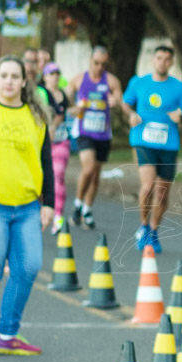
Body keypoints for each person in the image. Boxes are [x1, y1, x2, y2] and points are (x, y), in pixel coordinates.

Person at [0, 56, 54, 356]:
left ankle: (7, 334)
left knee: (28, 267)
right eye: (3, 75)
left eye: (14, 76)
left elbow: (46, 163)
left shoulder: (37, 118)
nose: (8, 81)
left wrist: (49, 204)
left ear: (23, 81)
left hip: (27, 207)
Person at [121, 45, 182, 253]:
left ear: (171, 63)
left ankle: (154, 231)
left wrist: (180, 117)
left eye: (166, 59)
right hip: (143, 140)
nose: (162, 62)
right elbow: (126, 103)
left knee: (162, 193)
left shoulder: (178, 88)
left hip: (168, 143)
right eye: (159, 58)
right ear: (153, 60)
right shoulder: (139, 83)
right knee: (148, 185)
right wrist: (130, 114)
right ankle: (143, 226)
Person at [67, 46, 123, 229]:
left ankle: (87, 209)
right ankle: (77, 205)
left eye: (103, 64)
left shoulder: (112, 81)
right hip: (84, 132)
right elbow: (65, 101)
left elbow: (120, 101)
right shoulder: (78, 79)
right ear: (90, 60)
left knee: (96, 174)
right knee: (88, 168)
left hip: (103, 134)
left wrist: (115, 102)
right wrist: (72, 109)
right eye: (96, 63)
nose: (99, 67)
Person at [41, 63, 72, 234]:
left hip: (61, 140)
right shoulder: (39, 93)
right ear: (45, 76)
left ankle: (58, 215)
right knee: (41, 178)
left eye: (57, 73)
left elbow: (66, 112)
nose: (55, 76)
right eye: (51, 73)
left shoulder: (63, 95)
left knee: (57, 175)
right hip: (41, 143)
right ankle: (41, 211)